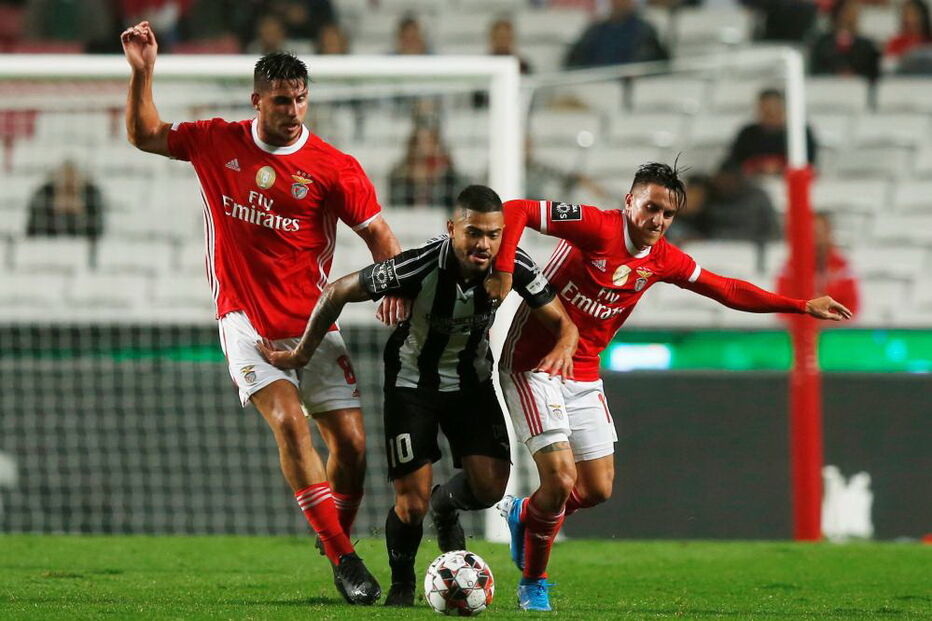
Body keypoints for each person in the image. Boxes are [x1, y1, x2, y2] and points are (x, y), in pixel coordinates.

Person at [121, 22, 408, 605]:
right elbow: (145, 135)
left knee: (352, 446)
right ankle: (346, 559)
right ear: (257, 100)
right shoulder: (215, 141)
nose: (294, 109)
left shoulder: (334, 166)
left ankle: (334, 540)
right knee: (288, 423)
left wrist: (393, 287)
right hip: (244, 319)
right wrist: (144, 72)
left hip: (313, 322)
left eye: (301, 98)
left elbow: (379, 233)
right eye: (282, 99)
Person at [484, 162, 852, 612]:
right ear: (630, 202)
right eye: (650, 207)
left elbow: (726, 288)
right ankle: (533, 584)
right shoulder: (596, 227)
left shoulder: (663, 259)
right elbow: (516, 208)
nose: (657, 221)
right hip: (532, 365)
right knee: (560, 479)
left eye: (667, 214)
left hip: (582, 372)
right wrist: (504, 269)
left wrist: (799, 305)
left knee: (597, 489)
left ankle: (526, 513)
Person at [259, 185, 579, 608]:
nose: (484, 244)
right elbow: (336, 291)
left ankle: (444, 506)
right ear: (452, 229)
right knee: (410, 503)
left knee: (488, 489)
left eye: (493, 234)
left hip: (471, 386)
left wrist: (565, 345)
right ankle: (403, 585)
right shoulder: (419, 265)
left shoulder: (513, 265)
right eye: (473, 233)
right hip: (413, 386)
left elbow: (564, 323)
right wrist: (301, 352)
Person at [777, 212, 860, 318]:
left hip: (833, 330)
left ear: (828, 233)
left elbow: (851, 308)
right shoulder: (789, 268)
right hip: (799, 329)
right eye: (809, 233)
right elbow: (782, 308)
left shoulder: (842, 267)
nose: (815, 238)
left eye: (819, 232)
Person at [726, 88, 818, 176]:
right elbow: (735, 163)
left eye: (774, 110)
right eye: (765, 110)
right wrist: (758, 167)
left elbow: (808, 163)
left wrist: (780, 168)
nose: (770, 114)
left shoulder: (799, 133)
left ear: (784, 109)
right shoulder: (747, 133)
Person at [564, 0, 667, 69]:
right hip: (594, 81)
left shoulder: (644, 30)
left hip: (626, 84)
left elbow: (650, 62)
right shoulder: (595, 30)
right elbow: (575, 60)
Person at [389, 125, 466, 209]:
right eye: (420, 160)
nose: (426, 149)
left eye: (432, 142)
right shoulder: (399, 180)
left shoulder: (452, 180)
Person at [26, 160, 104, 239]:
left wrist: (80, 215)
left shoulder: (92, 194)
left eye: (72, 176)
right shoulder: (44, 193)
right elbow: (32, 232)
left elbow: (99, 231)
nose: (68, 181)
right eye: (64, 176)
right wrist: (53, 210)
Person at [809, 0, 881, 82]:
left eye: (853, 12)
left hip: (859, 89)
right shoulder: (822, 44)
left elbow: (874, 74)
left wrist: (855, 76)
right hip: (828, 88)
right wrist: (837, 74)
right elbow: (815, 73)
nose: (848, 16)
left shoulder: (867, 47)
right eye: (844, 12)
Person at [885, 0, 932, 67]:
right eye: (907, 14)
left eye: (915, 14)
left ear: (923, 16)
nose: (910, 19)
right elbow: (890, 65)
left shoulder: (929, 40)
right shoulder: (896, 42)